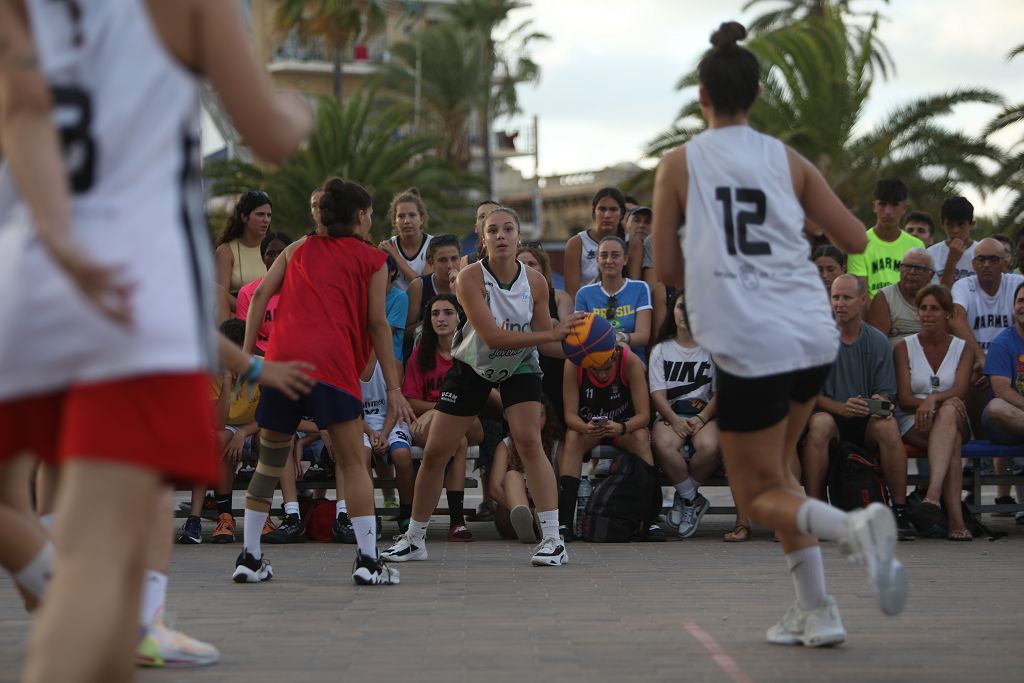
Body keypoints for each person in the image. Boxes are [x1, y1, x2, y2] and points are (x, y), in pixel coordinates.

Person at [0, 1, 315, 680]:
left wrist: (57, 234)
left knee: (84, 563)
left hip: (27, 273)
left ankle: (50, 580)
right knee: (98, 564)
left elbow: (22, 107)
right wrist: (296, 112)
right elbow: (266, 134)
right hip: (129, 288)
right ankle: (67, 593)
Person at [652, 21, 906, 648]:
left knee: (757, 491)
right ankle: (816, 609)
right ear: (758, 95)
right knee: (781, 477)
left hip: (749, 341)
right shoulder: (786, 160)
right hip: (811, 334)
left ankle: (856, 531)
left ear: (702, 97)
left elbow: (668, 270)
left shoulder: (679, 164)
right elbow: (854, 239)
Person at [238, 177, 415, 586]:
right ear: (360, 216)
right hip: (332, 365)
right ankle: (368, 562)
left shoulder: (298, 248)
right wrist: (393, 389)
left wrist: (247, 358)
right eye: (370, 213)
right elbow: (377, 324)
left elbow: (260, 296)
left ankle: (249, 557)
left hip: (282, 363)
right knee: (353, 462)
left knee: (269, 462)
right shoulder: (373, 259)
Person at [382, 207, 583, 566]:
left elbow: (548, 341)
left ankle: (554, 540)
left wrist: (580, 345)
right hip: (474, 363)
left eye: (508, 229)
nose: (501, 235)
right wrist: (550, 334)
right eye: (493, 230)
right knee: (436, 452)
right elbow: (492, 336)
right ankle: (414, 538)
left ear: (518, 236)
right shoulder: (469, 278)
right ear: (483, 238)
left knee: (529, 442)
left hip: (520, 364)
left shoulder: (536, 282)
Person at [800, 275, 915, 540]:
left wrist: (875, 401)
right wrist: (841, 408)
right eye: (835, 297)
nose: (840, 303)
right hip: (832, 416)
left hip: (865, 418)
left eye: (847, 298)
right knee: (819, 424)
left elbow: (887, 392)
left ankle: (899, 510)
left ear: (862, 300)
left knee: (888, 426)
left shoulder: (877, 340)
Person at [893, 285, 973, 539]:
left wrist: (933, 399)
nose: (927, 314)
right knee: (952, 440)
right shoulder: (903, 347)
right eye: (923, 308)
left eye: (935, 309)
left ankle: (933, 494)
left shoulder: (963, 348)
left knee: (949, 412)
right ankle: (956, 522)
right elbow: (904, 398)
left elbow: (961, 390)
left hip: (953, 416)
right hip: (914, 421)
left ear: (948, 313)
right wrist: (928, 405)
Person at [558, 344, 658, 539]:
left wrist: (621, 427)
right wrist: (584, 428)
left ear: (615, 357)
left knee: (640, 437)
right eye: (595, 369)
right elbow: (570, 415)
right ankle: (564, 521)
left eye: (607, 369)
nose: (602, 374)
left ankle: (650, 520)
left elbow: (644, 416)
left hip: (622, 426)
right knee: (572, 438)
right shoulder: (573, 363)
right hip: (591, 427)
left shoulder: (630, 361)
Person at [402, 294, 480, 541]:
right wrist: (438, 411)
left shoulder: (469, 352)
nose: (441, 318)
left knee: (459, 435)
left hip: (464, 419)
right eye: (435, 314)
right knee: (458, 442)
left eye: (448, 312)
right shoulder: (420, 355)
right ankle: (457, 522)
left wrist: (438, 410)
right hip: (424, 424)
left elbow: (476, 397)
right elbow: (411, 401)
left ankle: (447, 521)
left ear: (459, 318)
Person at [648, 289, 721, 539]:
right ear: (673, 310)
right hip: (671, 414)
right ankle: (692, 500)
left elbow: (719, 394)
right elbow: (657, 394)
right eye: (681, 307)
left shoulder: (712, 349)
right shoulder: (661, 350)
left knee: (710, 446)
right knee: (663, 444)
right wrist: (674, 419)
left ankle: (684, 497)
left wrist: (701, 419)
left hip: (704, 414)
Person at [981, 281, 1024, 521]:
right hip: (1002, 423)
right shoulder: (1002, 343)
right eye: (1021, 301)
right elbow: (1001, 391)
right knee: (997, 407)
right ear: (1013, 306)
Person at [517, 244, 574, 427]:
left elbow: (567, 330)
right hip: (520, 365)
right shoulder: (508, 299)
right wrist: (551, 324)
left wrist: (555, 325)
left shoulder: (559, 297)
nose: (527, 268)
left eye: (532, 263)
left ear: (543, 269)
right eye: (521, 264)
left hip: (553, 365)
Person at [490, 397, 560, 544]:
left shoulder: (556, 446)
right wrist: (521, 511)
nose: (535, 420)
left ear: (547, 417)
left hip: (546, 512)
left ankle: (542, 521)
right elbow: (494, 489)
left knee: (543, 477)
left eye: (540, 415)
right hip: (512, 512)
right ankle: (523, 517)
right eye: (531, 415)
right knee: (512, 476)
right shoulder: (506, 444)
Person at [575, 235, 653, 363]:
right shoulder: (584, 294)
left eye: (615, 255)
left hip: (632, 361)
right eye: (604, 255)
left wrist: (618, 338)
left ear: (625, 259)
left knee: (623, 349)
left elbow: (643, 336)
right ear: (597, 260)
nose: (609, 260)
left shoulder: (640, 288)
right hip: (596, 360)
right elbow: (580, 336)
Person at [847, 178, 924, 298]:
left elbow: (919, 291)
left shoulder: (917, 246)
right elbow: (860, 296)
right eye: (882, 204)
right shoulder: (859, 244)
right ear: (874, 206)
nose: (887, 211)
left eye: (894, 205)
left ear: (904, 208)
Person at [563, 186, 627, 298]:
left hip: (625, 306)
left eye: (613, 209)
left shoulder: (631, 242)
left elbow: (635, 287)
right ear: (594, 212)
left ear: (622, 213)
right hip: (587, 307)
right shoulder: (576, 244)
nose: (607, 215)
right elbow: (572, 295)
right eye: (602, 209)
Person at [235, 230, 292, 355]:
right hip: (261, 358)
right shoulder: (247, 292)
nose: (277, 259)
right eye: (270, 254)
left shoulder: (302, 288)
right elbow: (244, 339)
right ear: (263, 258)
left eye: (282, 253)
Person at [215, 190, 273, 312]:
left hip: (271, 315)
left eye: (269, 215)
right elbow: (221, 295)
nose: (266, 220)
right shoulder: (226, 251)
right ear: (244, 217)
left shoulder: (275, 248)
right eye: (260, 214)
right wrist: (251, 312)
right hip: (240, 316)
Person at [866, 248, 934, 344]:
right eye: (907, 267)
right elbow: (877, 344)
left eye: (919, 268)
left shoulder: (937, 298)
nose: (912, 272)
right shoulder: (884, 297)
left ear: (931, 275)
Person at [406, 233, 462, 338]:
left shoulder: (469, 285)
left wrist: (458, 292)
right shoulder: (419, 286)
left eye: (454, 259)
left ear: (460, 259)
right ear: (431, 262)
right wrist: (436, 320)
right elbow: (405, 332)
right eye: (442, 260)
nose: (450, 266)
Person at [379, 187, 433, 292]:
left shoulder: (433, 245)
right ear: (394, 220)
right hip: (396, 303)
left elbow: (424, 286)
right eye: (401, 216)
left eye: (412, 215)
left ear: (421, 219)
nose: (406, 221)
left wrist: (396, 257)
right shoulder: (387, 247)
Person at [929, 196, 977, 288]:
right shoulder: (931, 254)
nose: (955, 230)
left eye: (961, 224)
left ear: (971, 224)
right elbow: (939, 293)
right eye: (950, 224)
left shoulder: (982, 253)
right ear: (942, 224)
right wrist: (951, 261)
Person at [625, 205, 653, 281]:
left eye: (648, 222)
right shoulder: (618, 250)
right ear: (626, 225)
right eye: (636, 221)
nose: (641, 225)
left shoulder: (661, 254)